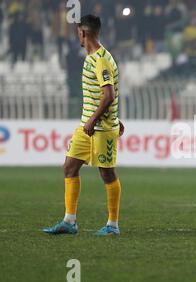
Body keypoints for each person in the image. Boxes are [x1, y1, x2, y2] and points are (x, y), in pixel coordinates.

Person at [44, 15, 124, 236]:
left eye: (77, 32)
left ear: (83, 33)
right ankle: (69, 221)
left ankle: (113, 225)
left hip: (99, 128)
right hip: (87, 125)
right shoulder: (94, 57)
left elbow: (108, 94)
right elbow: (108, 94)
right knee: (69, 167)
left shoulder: (100, 60)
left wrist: (94, 120)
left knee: (107, 174)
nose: (76, 36)